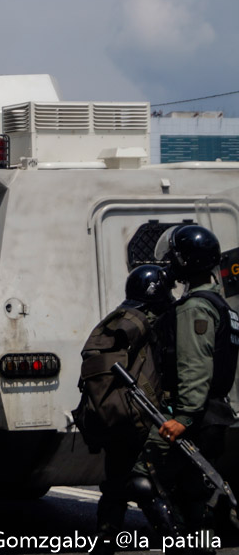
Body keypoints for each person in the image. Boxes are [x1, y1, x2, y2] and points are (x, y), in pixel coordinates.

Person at [130, 225, 239, 545]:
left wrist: (183, 417)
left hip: (191, 416)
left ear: (186, 261)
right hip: (212, 413)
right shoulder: (221, 305)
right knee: (195, 492)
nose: (169, 264)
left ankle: (178, 545)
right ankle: (198, 547)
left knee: (141, 476)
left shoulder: (195, 308)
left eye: (174, 257)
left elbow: (196, 365)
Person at [81, 265, 174, 552]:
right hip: (141, 412)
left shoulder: (118, 319)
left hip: (113, 411)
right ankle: (175, 537)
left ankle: (106, 536)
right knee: (146, 479)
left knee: (115, 479)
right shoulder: (149, 322)